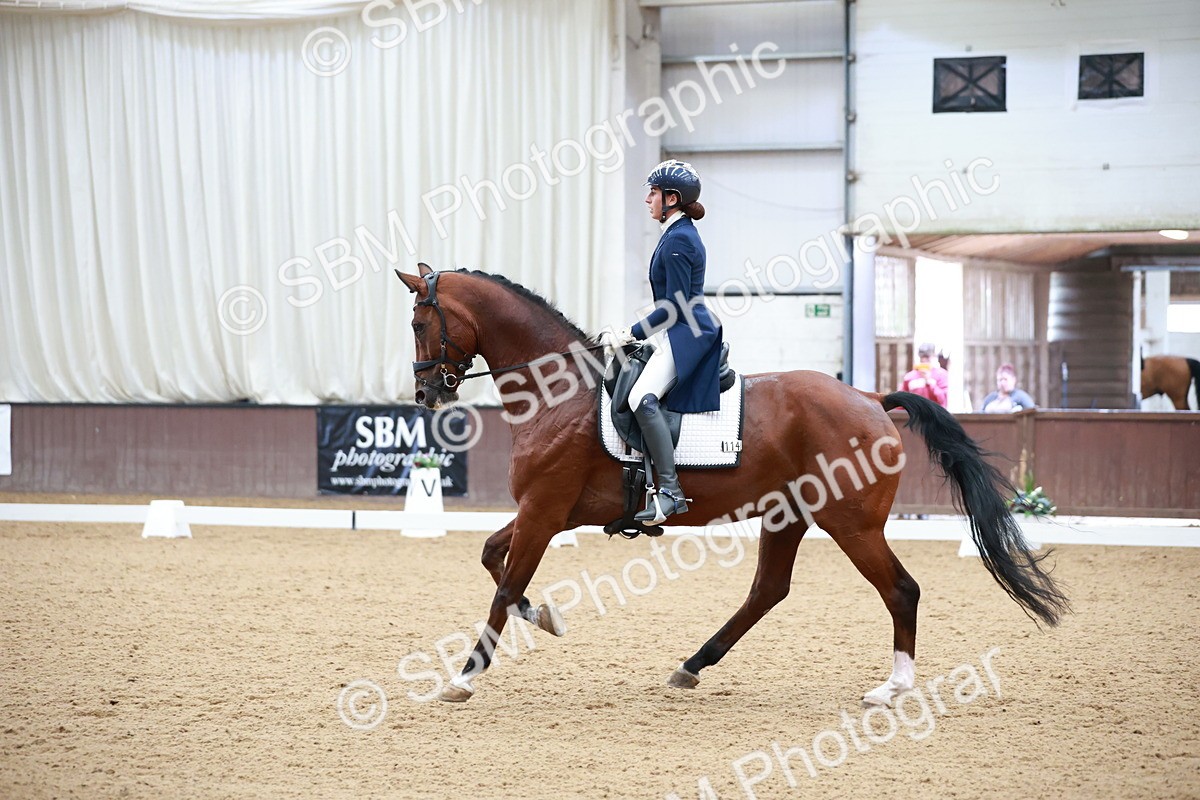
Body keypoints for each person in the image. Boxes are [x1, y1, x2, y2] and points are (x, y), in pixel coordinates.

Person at [600, 159, 724, 524]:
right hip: (679, 329)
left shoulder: (680, 239)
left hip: (689, 332)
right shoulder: (675, 234)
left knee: (641, 397)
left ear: (672, 198)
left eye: (653, 193)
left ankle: (669, 491)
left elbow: (676, 305)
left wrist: (632, 332)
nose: (648, 200)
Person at [899, 343, 949, 408]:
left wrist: (930, 382)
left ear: (933, 356)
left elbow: (943, 401)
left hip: (935, 415)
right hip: (916, 414)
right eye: (922, 357)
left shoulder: (941, 375)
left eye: (927, 357)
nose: (924, 360)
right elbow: (901, 401)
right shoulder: (910, 377)